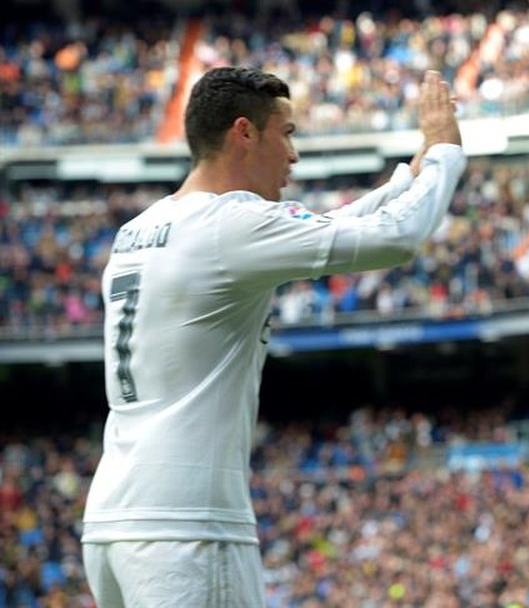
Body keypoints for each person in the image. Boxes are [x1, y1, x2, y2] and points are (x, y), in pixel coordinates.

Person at [81, 66, 465, 607]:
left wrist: (408, 179)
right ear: (244, 132)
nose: (294, 155)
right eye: (286, 133)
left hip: (113, 524)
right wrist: (447, 155)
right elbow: (397, 239)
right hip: (189, 528)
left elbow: (317, 230)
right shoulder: (229, 225)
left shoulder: (140, 229)